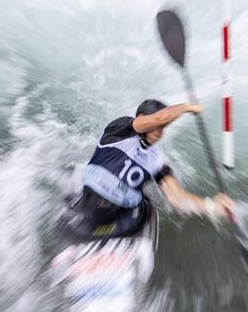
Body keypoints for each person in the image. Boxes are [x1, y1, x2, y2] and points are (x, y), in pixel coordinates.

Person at [63, 99, 235, 240]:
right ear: (140, 118)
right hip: (89, 207)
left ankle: (98, 234)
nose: (161, 131)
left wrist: (213, 206)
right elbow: (160, 118)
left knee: (146, 205)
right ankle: (89, 230)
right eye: (158, 125)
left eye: (164, 128)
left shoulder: (158, 160)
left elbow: (178, 198)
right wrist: (186, 107)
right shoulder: (119, 130)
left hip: (121, 223)